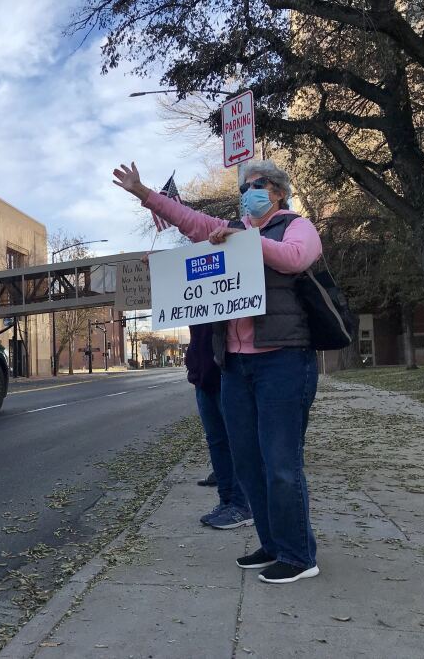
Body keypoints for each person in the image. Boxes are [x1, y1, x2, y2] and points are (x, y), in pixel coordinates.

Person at [114, 159, 322, 585]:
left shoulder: (296, 227)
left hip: (283, 360)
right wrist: (142, 192)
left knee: (281, 463)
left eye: (258, 185)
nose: (249, 192)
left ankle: (299, 555)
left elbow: (296, 260)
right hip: (235, 365)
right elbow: (188, 220)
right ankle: (272, 544)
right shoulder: (228, 231)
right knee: (248, 462)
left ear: (278, 192)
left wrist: (246, 241)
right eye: (245, 187)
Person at [185, 323, 252, 530]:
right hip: (203, 374)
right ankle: (226, 502)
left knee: (237, 442)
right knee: (216, 442)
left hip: (227, 369)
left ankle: (241, 506)